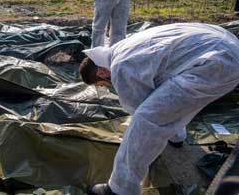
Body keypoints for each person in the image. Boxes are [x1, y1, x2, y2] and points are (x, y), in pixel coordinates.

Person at [79, 23, 239, 195]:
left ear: (102, 73)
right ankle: (176, 136)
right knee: (176, 99)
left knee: (147, 119)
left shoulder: (121, 67)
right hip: (225, 44)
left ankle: (120, 188)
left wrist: (143, 138)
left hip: (217, 62)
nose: (108, 86)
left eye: (103, 84)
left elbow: (142, 109)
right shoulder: (122, 48)